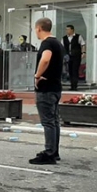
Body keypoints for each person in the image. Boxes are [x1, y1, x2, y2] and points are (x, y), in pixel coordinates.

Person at [32, 18, 64, 165]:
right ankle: (54, 151)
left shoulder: (47, 43)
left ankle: (49, 153)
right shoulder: (58, 43)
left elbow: (45, 59)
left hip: (46, 88)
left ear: (39, 28)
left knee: (48, 122)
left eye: (35, 29)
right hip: (56, 87)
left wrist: (37, 76)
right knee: (54, 121)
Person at [63, 25, 86, 91]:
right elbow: (62, 47)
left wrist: (83, 52)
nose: (67, 31)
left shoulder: (78, 36)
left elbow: (83, 45)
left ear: (72, 30)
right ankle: (71, 85)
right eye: (66, 29)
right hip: (68, 56)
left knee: (75, 70)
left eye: (68, 29)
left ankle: (75, 86)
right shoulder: (64, 38)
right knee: (70, 70)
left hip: (76, 56)